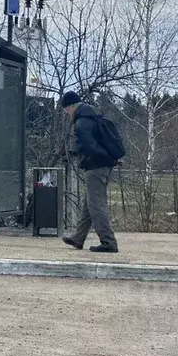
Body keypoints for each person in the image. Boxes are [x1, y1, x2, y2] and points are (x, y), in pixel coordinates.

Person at [59, 91, 119, 253]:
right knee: (89, 202)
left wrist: (87, 158)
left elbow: (89, 147)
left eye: (66, 110)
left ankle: (108, 242)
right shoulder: (93, 116)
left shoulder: (82, 123)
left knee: (96, 204)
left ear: (71, 107)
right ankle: (78, 238)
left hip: (95, 167)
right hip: (103, 165)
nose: (67, 113)